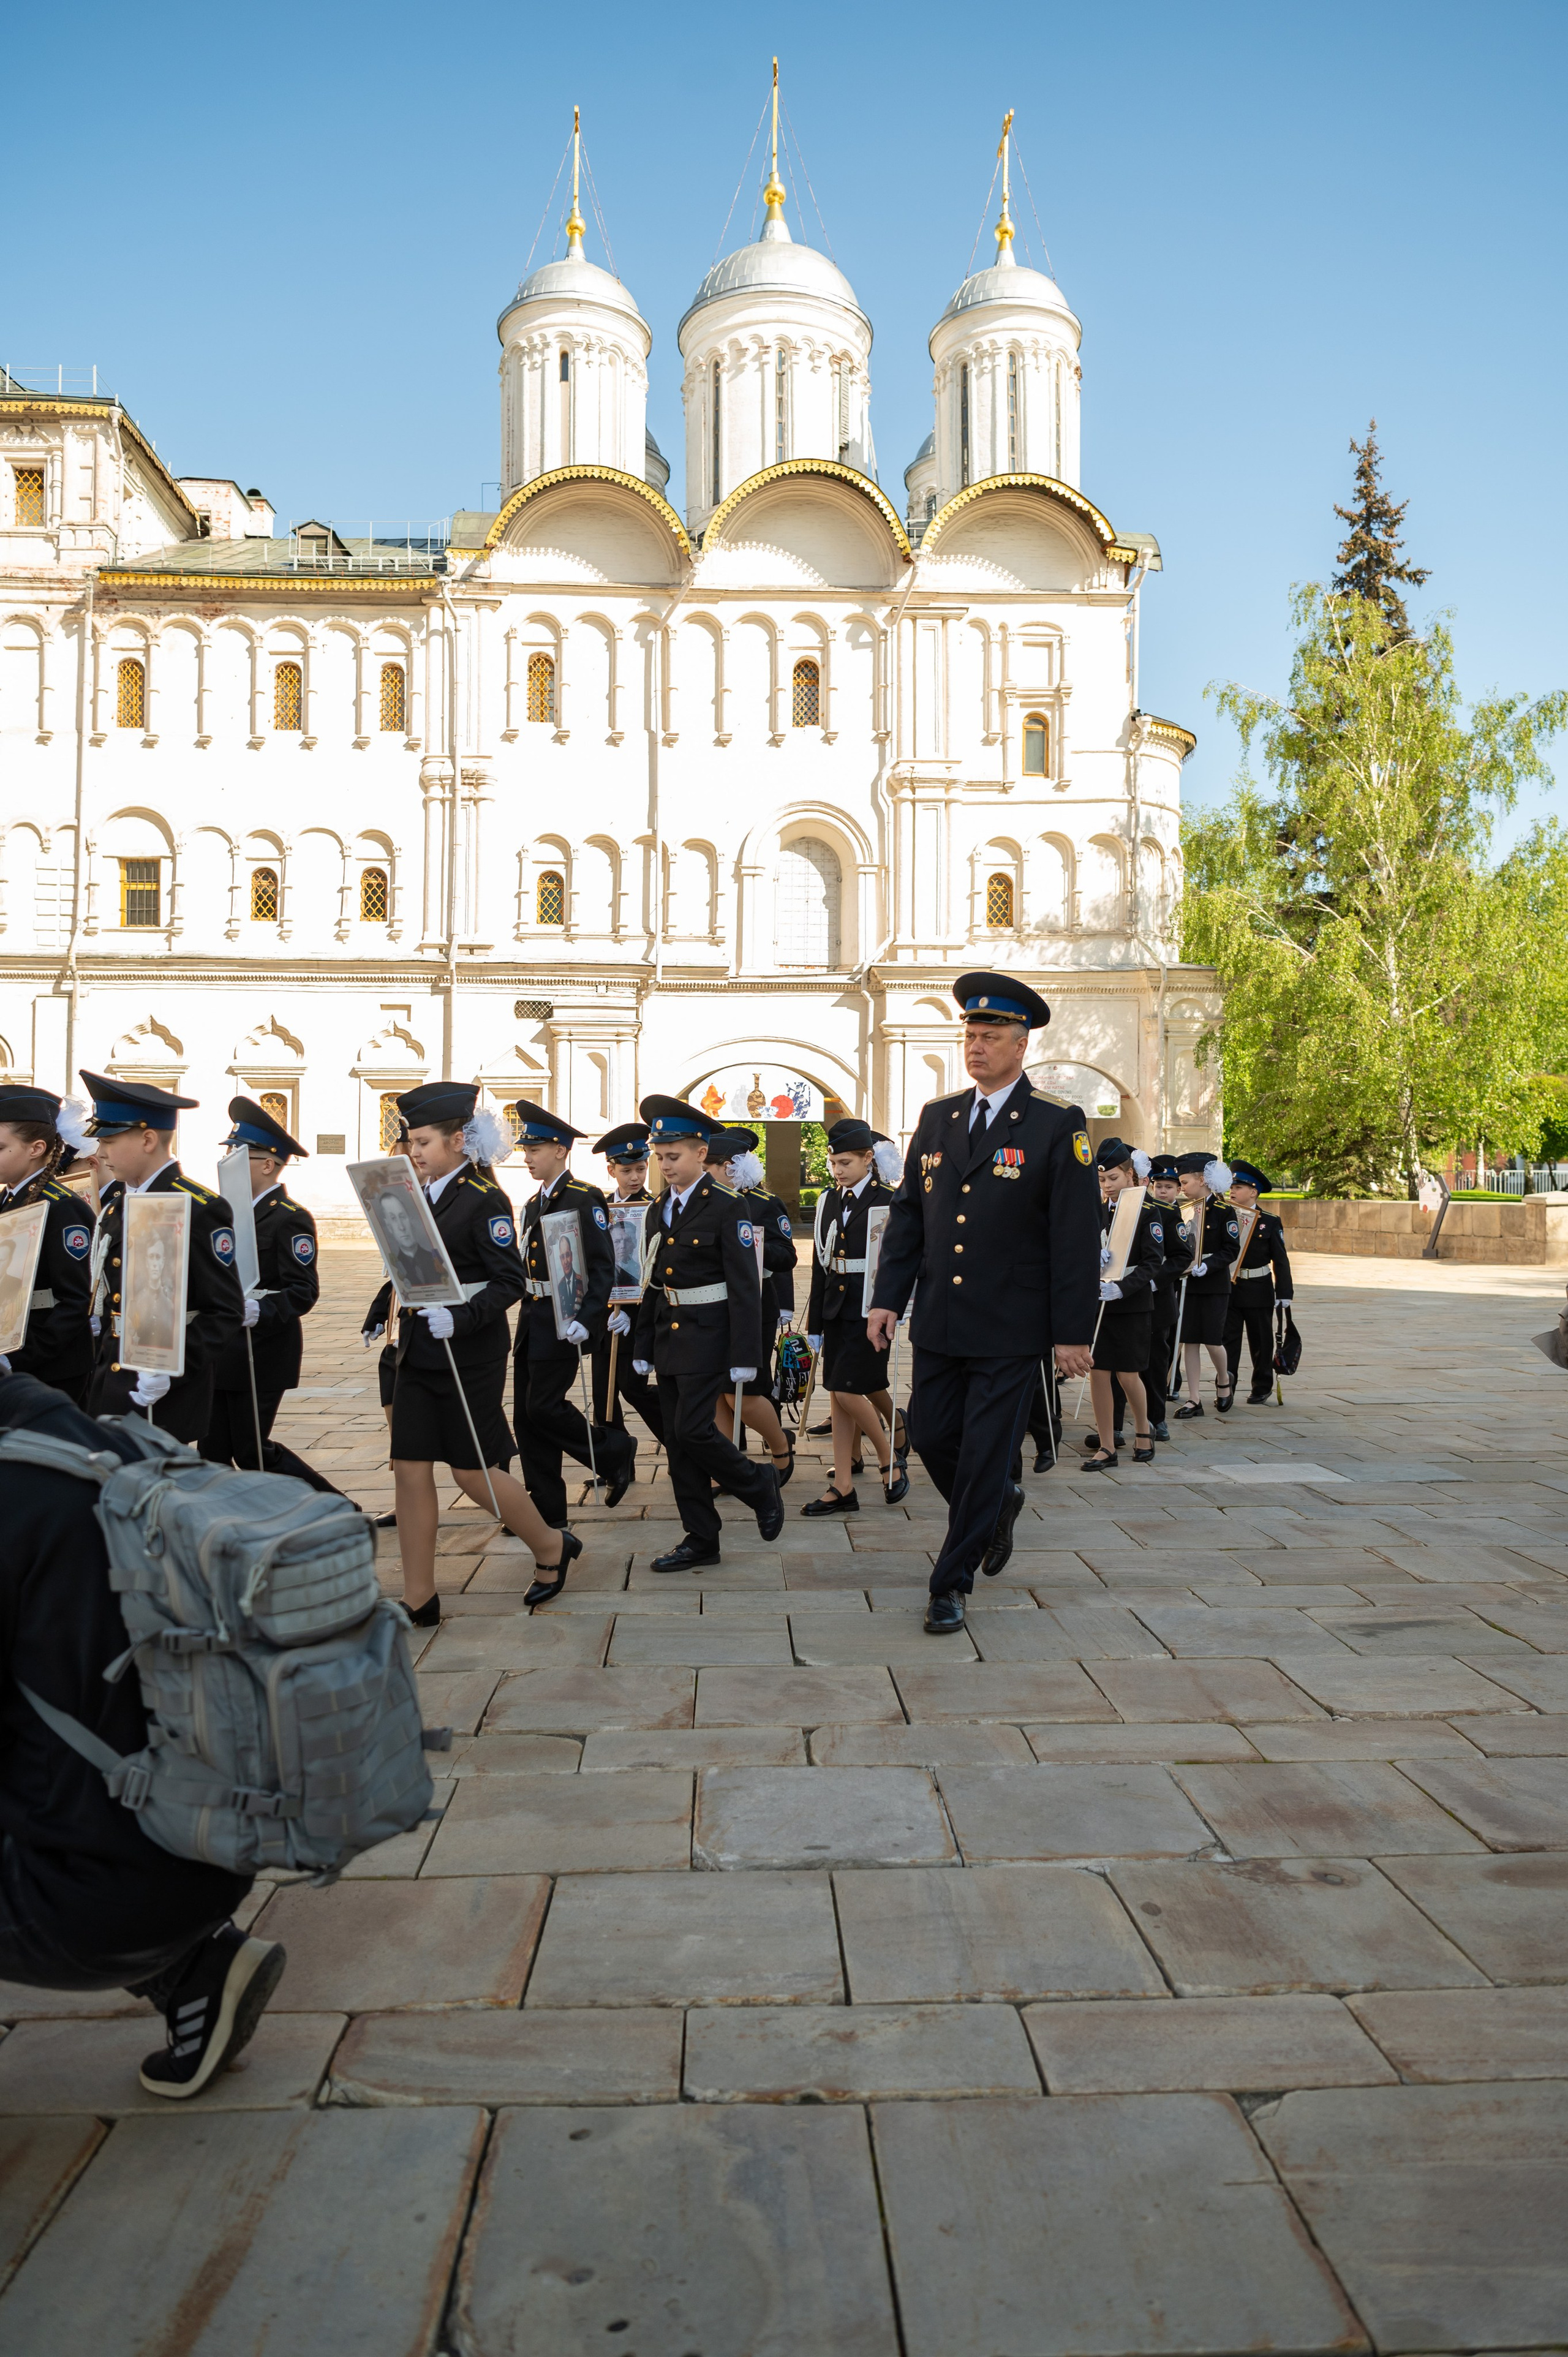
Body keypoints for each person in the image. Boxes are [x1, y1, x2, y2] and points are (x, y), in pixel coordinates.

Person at [0, 1368, 285, 2097]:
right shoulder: (106, 1440)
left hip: (97, 1903)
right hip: (214, 1846)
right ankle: (196, 1968)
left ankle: (166, 1948)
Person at [869, 973, 1099, 1634]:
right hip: (941, 1316)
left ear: (1020, 1045)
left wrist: (1070, 1331)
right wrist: (888, 1298)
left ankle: (951, 1580)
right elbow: (910, 1217)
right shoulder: (938, 1117)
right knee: (936, 1434)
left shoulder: (1058, 1123)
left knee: (979, 1451)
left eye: (990, 1035)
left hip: (1011, 1324)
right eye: (970, 1034)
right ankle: (999, 1501)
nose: (976, 1046)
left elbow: (1075, 1236)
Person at [387, 1082, 576, 1620]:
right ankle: (418, 1596)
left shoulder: (484, 1197)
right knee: (409, 1467)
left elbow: (509, 1282)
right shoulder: (416, 1193)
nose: (415, 1151)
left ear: (459, 1140)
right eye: (412, 1142)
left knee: (471, 1471)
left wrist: (461, 1316)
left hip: (469, 1351)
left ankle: (550, 1545)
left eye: (424, 1141)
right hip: (421, 1347)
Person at [631, 1095, 785, 1571]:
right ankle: (701, 1538)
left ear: (702, 1153)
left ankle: (758, 1482)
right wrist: (642, 1345)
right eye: (660, 1156)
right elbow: (654, 1283)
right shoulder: (659, 1209)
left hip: (711, 1336)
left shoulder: (727, 1206)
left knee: (693, 1430)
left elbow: (744, 1285)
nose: (665, 1165)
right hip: (670, 1339)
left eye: (673, 1156)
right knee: (678, 1446)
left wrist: (747, 1354)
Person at [80, 1073, 244, 1444]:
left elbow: (225, 1311)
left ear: (148, 1139)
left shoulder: (198, 1208)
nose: (100, 1153)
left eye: (108, 1141)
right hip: (113, 1379)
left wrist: (173, 1369)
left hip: (164, 1394)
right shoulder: (116, 1208)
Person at [200, 1097, 349, 1495]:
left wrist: (261, 1308)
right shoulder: (225, 1213)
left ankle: (333, 1508)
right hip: (224, 1349)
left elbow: (304, 1290)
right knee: (212, 1450)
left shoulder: (289, 1217)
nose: (228, 1160)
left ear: (267, 1164)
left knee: (252, 1451)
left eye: (238, 1154)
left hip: (263, 1351)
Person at [511, 1102, 635, 1520]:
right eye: (525, 1151)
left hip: (565, 1319)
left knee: (544, 1406)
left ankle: (614, 1449)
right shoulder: (533, 1202)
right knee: (526, 1418)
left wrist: (588, 1318)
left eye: (535, 1150)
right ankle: (547, 1509)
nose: (527, 1158)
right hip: (533, 1319)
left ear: (561, 1150)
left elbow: (602, 1267)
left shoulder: (584, 1197)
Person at [801, 1118, 908, 1512]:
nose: (838, 1170)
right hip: (835, 1307)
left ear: (868, 1158)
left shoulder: (890, 1200)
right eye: (833, 1163)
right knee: (837, 1397)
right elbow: (819, 1262)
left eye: (846, 1162)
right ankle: (844, 1485)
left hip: (871, 1309)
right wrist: (814, 1325)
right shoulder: (830, 1200)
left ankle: (889, 1457)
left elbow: (902, 1260)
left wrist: (894, 1309)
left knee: (847, 1389)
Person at [706, 1126, 797, 1490]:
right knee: (718, 1389)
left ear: (730, 1167)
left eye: (711, 1165)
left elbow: (786, 1254)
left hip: (755, 1305)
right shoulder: (706, 1201)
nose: (705, 1171)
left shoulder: (764, 1202)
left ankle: (781, 1447)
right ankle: (728, 1465)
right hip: (714, 1305)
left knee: (744, 1389)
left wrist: (753, 1251)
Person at [0, 1085, 95, 1403]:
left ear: (36, 1148)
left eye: (1, 1147)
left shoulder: (62, 1207)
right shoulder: (8, 1199)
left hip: (50, 1368)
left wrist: (17, 1360)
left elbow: (76, 1300)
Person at [1080, 1140, 1167, 1471]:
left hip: (1131, 1303)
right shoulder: (1096, 1209)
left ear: (1131, 1175)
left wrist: (1124, 1288)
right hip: (1101, 1302)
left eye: (1113, 1179)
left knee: (1129, 1375)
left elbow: (1152, 1262)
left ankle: (1144, 1431)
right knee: (1098, 1373)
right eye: (1102, 1180)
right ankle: (1106, 1445)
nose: (1107, 1186)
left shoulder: (1148, 1211)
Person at [589, 1121, 664, 1450]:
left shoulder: (656, 1209)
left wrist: (634, 1315)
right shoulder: (600, 1208)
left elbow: (659, 1269)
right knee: (602, 1390)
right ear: (611, 1170)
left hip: (639, 1315)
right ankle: (615, 1457)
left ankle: (678, 1443)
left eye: (641, 1168)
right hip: (605, 1314)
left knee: (634, 1387)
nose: (635, 1177)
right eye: (627, 1170)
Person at [361, 1116, 412, 1529]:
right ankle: (405, 1501)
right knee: (399, 1427)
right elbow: (397, 1273)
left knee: (472, 1445)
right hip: (397, 1336)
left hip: (435, 1336)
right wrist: (378, 1315)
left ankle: (499, 1480)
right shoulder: (396, 1206)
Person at [1172, 1152, 1240, 1419]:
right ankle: (1194, 1398)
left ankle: (1224, 1380)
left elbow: (1231, 1249)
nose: (1182, 1188)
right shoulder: (1183, 1211)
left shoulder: (1225, 1211)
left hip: (1213, 1283)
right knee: (1189, 1341)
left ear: (1202, 1180)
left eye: (1185, 1182)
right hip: (1189, 1281)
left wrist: (1208, 1266)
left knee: (1212, 1341)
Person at [1223, 1159, 1294, 1403]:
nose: (1232, 1191)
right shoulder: (1224, 1216)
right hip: (1230, 1287)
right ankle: (1226, 1387)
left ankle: (1262, 1386)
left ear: (1253, 1192)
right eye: (1231, 1187)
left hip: (1258, 1287)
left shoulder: (1270, 1222)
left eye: (1238, 1188)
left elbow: (1280, 1260)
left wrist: (1284, 1292)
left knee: (1261, 1341)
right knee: (1227, 1342)